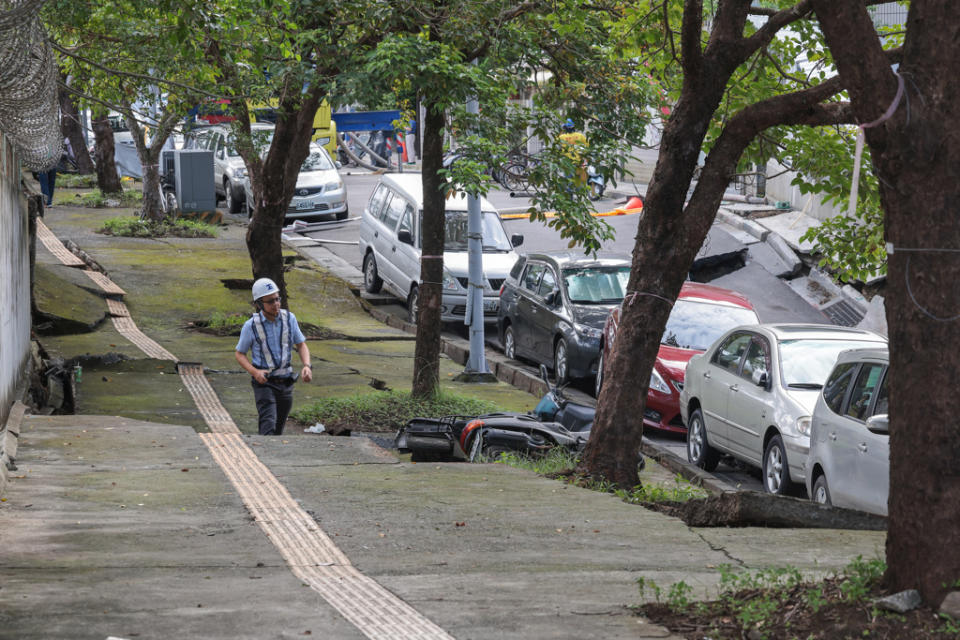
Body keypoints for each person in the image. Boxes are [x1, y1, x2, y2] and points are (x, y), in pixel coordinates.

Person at [235, 278, 313, 435]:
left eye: (278, 299)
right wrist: (255, 372)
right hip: (265, 383)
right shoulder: (250, 326)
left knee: (278, 429)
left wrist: (306, 366)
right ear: (259, 304)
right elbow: (239, 354)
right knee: (268, 425)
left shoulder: (289, 319)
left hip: (286, 382)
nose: (276, 304)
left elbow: (301, 344)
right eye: (270, 301)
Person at [558, 119, 588, 185]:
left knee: (568, 181)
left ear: (565, 128)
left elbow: (556, 147)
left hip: (567, 163)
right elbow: (587, 146)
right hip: (579, 162)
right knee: (579, 181)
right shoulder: (580, 136)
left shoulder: (561, 137)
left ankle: (569, 194)